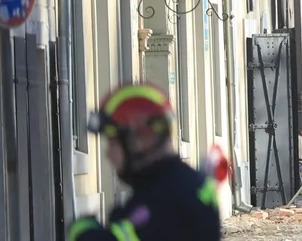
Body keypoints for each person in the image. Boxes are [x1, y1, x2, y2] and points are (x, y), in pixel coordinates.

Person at [69, 82, 222, 241]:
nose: (108, 153)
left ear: (140, 140)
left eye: (113, 142)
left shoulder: (165, 198)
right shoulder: (182, 183)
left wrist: (83, 232)